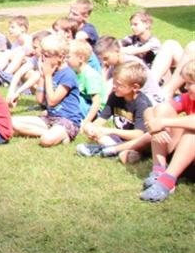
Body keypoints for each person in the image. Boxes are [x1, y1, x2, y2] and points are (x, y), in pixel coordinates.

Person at [11, 33, 85, 147]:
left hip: (67, 119)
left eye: (47, 55)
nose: (43, 59)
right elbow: (40, 100)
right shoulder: (49, 71)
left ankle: (64, 134)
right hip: (50, 117)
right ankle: (53, 133)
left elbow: (52, 101)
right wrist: (42, 76)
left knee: (46, 140)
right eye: (43, 55)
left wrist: (48, 76)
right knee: (13, 122)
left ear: (60, 57)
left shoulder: (68, 75)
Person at [139, 61, 195, 202]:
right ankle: (159, 170)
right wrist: (154, 127)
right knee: (162, 109)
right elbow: (149, 110)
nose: (185, 87)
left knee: (191, 133)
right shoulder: (188, 98)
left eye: (190, 83)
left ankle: (167, 181)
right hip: (185, 158)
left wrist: (163, 123)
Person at [77, 61, 151, 160]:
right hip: (119, 138)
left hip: (137, 142)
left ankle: (110, 150)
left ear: (135, 87)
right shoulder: (115, 96)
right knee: (88, 126)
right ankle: (117, 151)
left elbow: (138, 134)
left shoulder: (141, 104)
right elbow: (101, 119)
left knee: (128, 146)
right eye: (114, 82)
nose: (114, 86)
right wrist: (93, 130)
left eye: (118, 84)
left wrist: (110, 131)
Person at [69, 39, 104, 125]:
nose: (65, 60)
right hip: (85, 103)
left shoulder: (90, 75)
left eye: (68, 57)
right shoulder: (73, 71)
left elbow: (96, 102)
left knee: (73, 97)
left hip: (96, 110)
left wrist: (86, 122)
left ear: (81, 58)